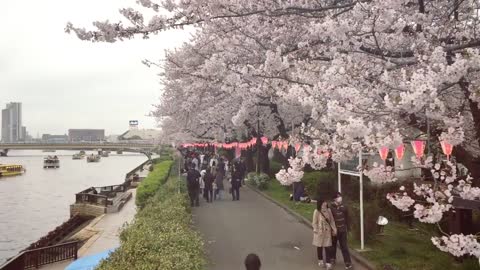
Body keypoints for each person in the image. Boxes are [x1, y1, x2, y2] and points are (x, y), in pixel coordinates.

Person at [330, 192, 353, 269]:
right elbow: (330, 220)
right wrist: (332, 229)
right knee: (333, 245)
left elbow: (347, 218)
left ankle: (348, 263)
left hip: (343, 230)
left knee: (344, 246)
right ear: (334, 199)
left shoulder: (344, 207)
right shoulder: (331, 208)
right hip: (334, 230)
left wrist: (348, 228)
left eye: (340, 196)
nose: (340, 198)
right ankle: (332, 258)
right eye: (338, 197)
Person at [312, 198, 337, 269]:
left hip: (327, 232)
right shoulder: (316, 211)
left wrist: (334, 229)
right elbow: (314, 222)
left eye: (325, 202)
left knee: (328, 246)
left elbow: (332, 221)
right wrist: (315, 229)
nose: (325, 203)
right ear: (320, 203)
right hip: (319, 232)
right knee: (319, 246)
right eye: (323, 202)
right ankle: (320, 260)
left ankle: (328, 263)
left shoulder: (329, 210)